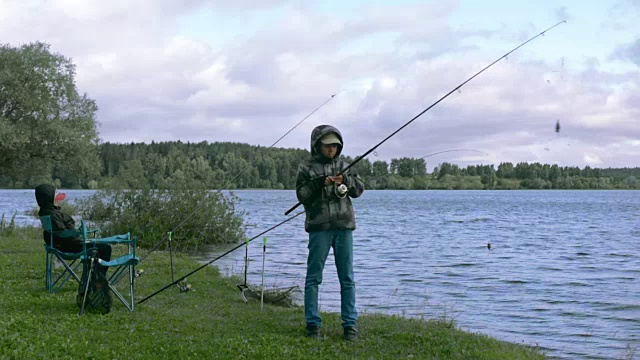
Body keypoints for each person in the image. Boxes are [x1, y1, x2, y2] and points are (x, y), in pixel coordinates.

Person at [295, 125, 365, 341]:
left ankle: (350, 326)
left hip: (344, 227)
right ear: (318, 145)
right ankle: (312, 325)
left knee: (347, 279)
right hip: (319, 229)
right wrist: (319, 183)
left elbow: (359, 189)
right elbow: (302, 195)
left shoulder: (345, 165)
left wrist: (347, 181)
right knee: (313, 278)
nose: (332, 150)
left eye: (335, 146)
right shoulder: (306, 167)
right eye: (327, 146)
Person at [35, 184, 112, 275]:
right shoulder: (53, 215)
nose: (58, 199)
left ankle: (93, 278)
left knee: (97, 245)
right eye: (56, 196)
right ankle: (98, 279)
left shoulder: (45, 213)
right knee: (106, 248)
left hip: (58, 245)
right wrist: (80, 236)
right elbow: (64, 234)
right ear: (49, 198)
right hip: (69, 247)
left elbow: (59, 233)